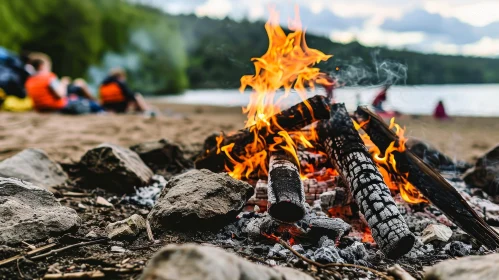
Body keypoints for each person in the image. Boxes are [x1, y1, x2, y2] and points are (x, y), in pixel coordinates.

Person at [25, 53, 103, 114]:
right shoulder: (48, 77)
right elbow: (61, 95)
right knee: (84, 100)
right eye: (48, 65)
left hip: (40, 109)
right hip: (56, 107)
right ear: (41, 66)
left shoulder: (29, 81)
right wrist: (63, 83)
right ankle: (101, 107)